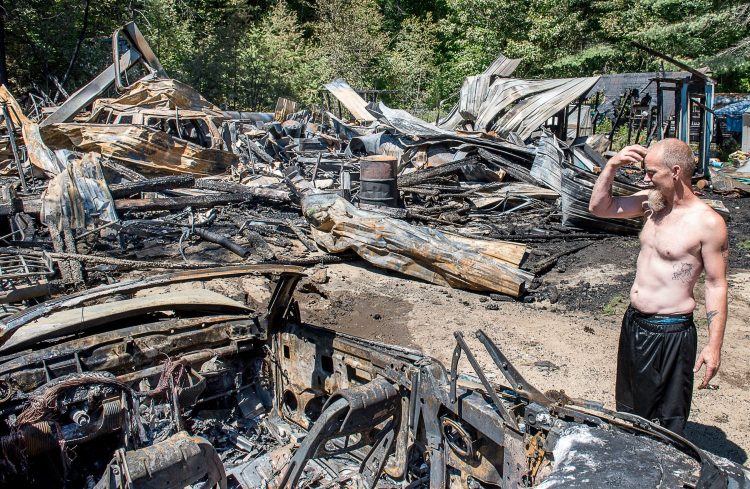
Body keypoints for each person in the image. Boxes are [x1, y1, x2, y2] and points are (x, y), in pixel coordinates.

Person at [588, 138, 728, 435]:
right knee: (630, 412)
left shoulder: (707, 223)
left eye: (651, 172)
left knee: (666, 423)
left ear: (676, 171)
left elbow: (716, 284)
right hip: (635, 323)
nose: (645, 178)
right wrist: (611, 165)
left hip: (671, 333)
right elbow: (600, 208)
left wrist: (714, 346)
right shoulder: (652, 204)